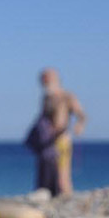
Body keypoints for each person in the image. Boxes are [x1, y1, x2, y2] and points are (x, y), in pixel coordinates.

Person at [36, 67, 86, 196]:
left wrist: (79, 126)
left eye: (47, 80)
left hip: (62, 140)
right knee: (46, 176)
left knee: (62, 176)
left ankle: (67, 199)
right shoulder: (46, 98)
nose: (44, 83)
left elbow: (81, 115)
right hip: (47, 142)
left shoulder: (66, 96)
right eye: (43, 80)